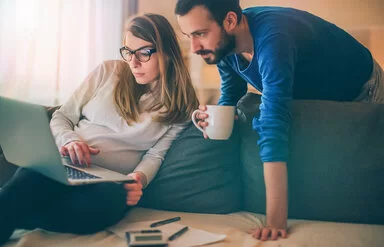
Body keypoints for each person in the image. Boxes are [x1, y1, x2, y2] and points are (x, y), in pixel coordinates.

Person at [175, 0, 384, 241]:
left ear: (230, 21)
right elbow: (231, 92)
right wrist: (218, 119)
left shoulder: (273, 38)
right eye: (188, 36)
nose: (193, 47)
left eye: (200, 34)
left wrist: (275, 220)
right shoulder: (222, 48)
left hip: (362, 89)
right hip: (310, 97)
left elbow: (272, 123)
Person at [0, 13, 199, 245]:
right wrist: (70, 141)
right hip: (65, 166)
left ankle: (16, 214)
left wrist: (139, 179)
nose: (133, 62)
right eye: (128, 52)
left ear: (166, 51)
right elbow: (62, 116)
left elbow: (156, 153)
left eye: (144, 53)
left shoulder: (183, 106)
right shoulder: (108, 72)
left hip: (107, 185)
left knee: (108, 205)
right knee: (32, 177)